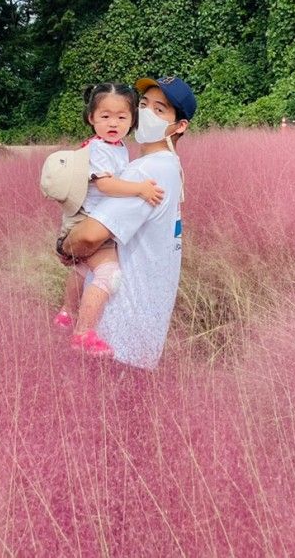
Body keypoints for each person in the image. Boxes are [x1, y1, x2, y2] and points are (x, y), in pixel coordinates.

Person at [59, 76, 197, 370]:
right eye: (144, 104)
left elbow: (88, 237)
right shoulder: (170, 166)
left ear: (180, 126)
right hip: (143, 331)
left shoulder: (144, 172)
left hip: (117, 332)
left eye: (160, 110)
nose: (147, 113)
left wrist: (64, 245)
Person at [48, 82, 165, 358]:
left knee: (83, 269)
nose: (113, 123)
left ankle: (67, 312)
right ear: (91, 118)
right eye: (105, 116)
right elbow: (106, 186)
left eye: (122, 117)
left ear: (132, 120)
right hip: (90, 222)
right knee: (109, 274)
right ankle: (83, 333)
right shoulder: (99, 149)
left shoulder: (117, 146)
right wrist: (140, 189)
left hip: (91, 221)